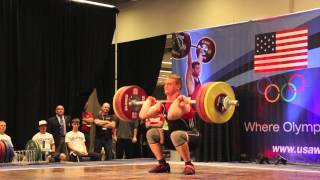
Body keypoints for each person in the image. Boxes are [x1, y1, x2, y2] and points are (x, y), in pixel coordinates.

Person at [139, 74, 199, 175]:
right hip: (173, 139)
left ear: (178, 86)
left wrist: (178, 99)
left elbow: (171, 115)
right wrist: (148, 102)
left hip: (191, 137)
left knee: (175, 134)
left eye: (169, 84)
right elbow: (142, 115)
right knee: (151, 133)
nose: (165, 86)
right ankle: (162, 164)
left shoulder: (183, 103)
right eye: (165, 84)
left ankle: (189, 164)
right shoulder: (162, 104)